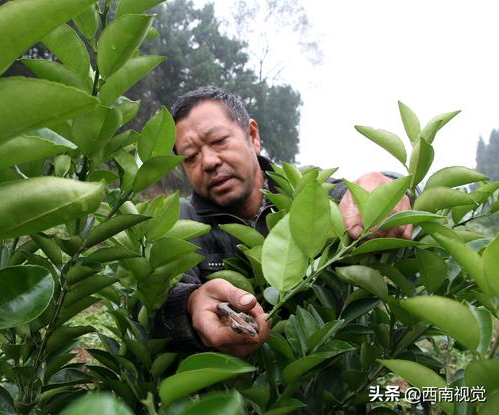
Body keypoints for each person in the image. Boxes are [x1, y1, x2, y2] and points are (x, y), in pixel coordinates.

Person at [153, 86, 412, 357]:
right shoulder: (182, 219)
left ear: (252, 136)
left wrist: (386, 189)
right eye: (191, 156)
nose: (208, 161)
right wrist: (190, 303)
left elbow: (346, 196)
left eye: (218, 141)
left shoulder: (301, 189)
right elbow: (158, 300)